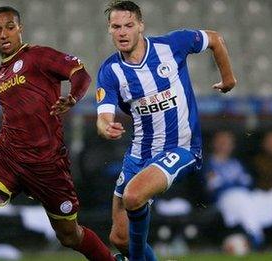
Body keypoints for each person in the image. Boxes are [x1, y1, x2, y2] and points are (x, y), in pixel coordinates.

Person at [0, 6, 115, 261]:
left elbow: (80, 74)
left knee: (69, 235)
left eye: (10, 27)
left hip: (47, 164)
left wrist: (72, 97)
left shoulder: (38, 56)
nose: (4, 34)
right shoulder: (2, 72)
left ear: (20, 29)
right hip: (8, 155)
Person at [96, 1, 236, 260]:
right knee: (119, 238)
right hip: (139, 153)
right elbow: (103, 114)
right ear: (109, 30)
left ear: (141, 26)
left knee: (134, 196)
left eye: (128, 25)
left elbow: (215, 39)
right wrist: (105, 126)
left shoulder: (171, 46)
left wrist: (228, 78)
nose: (122, 32)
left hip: (182, 148)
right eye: (116, 27)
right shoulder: (110, 71)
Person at [205, 130, 272, 253]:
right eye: (220, 142)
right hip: (225, 199)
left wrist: (232, 183)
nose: (223, 145)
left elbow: (248, 182)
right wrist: (235, 184)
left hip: (245, 195)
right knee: (241, 200)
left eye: (227, 142)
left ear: (232, 145)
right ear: (213, 144)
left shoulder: (236, 163)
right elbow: (215, 187)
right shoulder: (209, 163)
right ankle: (256, 241)